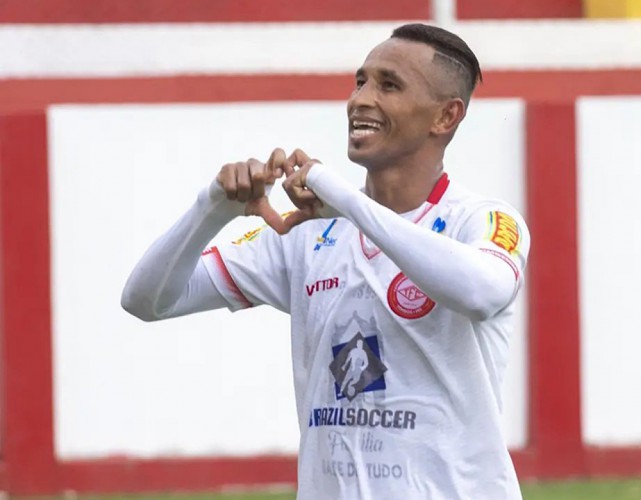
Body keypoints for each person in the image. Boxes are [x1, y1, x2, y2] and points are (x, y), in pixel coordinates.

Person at [122, 23, 529, 500]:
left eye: (389, 85)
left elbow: (481, 293)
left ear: (445, 116)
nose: (360, 99)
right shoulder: (307, 231)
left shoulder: (481, 219)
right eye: (360, 81)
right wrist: (212, 208)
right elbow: (146, 301)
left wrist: (345, 200)